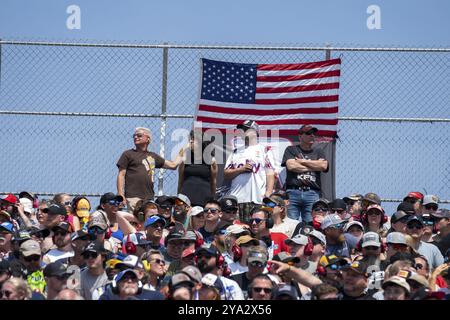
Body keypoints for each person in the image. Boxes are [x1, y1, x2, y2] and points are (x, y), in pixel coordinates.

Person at [117, 127, 184, 212]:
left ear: (148, 139)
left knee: (148, 223)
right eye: (134, 135)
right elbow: (121, 175)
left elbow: (173, 165)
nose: (135, 137)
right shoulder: (128, 154)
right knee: (135, 222)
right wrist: (120, 193)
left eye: (139, 135)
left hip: (149, 198)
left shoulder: (152, 156)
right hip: (133, 197)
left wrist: (183, 150)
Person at [224, 120, 275, 223]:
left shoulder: (264, 150)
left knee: (255, 231)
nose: (242, 132)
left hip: (257, 198)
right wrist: (240, 169)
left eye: (245, 129)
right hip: (237, 199)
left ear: (255, 131)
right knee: (237, 230)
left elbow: (270, 174)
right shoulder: (236, 151)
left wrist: (268, 192)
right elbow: (226, 174)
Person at [281, 124, 328, 223]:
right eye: (308, 133)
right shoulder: (291, 149)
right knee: (291, 223)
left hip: (312, 193)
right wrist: (314, 165)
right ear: (300, 136)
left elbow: (323, 166)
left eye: (313, 133)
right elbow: (291, 166)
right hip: (293, 192)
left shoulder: (319, 151)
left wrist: (302, 161)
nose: (312, 135)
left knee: (311, 224)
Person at [178, 130, 218, 207]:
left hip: (204, 200)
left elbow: (213, 183)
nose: (190, 141)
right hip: (186, 200)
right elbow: (180, 181)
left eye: (193, 139)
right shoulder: (185, 159)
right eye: (190, 139)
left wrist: (212, 201)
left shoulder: (211, 161)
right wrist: (178, 199)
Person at [99, 268, 165, 300]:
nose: (130, 281)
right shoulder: (106, 297)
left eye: (133, 278)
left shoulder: (155, 296)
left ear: (139, 284)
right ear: (115, 285)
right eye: (124, 278)